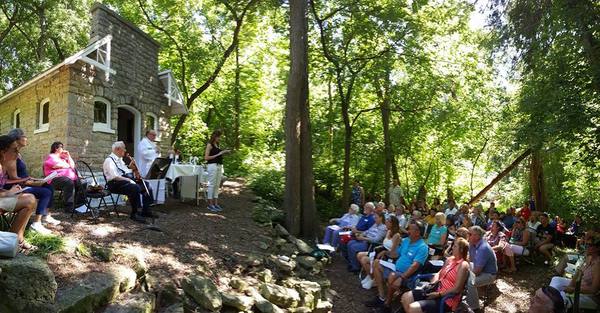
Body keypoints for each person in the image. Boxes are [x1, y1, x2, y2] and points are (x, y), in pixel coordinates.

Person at [366, 221, 429, 312]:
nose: (407, 231)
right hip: (395, 268)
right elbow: (396, 254)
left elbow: (415, 266)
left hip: (407, 274)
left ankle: (387, 305)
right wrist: (386, 252)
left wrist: (402, 277)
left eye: (410, 229)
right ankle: (381, 297)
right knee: (376, 263)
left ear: (417, 232)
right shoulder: (407, 240)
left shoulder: (422, 247)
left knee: (392, 276)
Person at [5, 128, 57, 234]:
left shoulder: (17, 154)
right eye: (24, 135)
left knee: (49, 187)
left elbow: (23, 175)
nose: (26, 138)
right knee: (45, 192)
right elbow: (14, 178)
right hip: (16, 186)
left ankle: (46, 215)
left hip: (23, 182)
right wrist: (31, 182)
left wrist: (37, 180)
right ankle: (36, 224)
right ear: (17, 139)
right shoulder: (11, 155)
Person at [401, 237, 471, 313]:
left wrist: (438, 294)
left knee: (412, 308)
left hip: (446, 299)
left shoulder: (463, 265)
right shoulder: (450, 259)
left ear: (461, 250)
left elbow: (457, 289)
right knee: (405, 297)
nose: (452, 248)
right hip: (435, 289)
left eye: (455, 246)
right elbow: (439, 273)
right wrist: (434, 280)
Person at [0, 135, 37, 253]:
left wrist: (10, 192)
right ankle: (12, 241)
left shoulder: (2, 165)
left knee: (30, 199)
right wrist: (9, 193)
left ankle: (14, 240)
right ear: (2, 151)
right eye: (14, 149)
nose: (18, 153)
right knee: (29, 200)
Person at [103, 141, 155, 223]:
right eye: (124, 149)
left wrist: (132, 168)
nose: (125, 151)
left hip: (123, 181)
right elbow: (114, 176)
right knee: (135, 188)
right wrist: (130, 180)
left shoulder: (120, 160)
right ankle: (134, 214)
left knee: (147, 185)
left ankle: (146, 210)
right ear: (117, 149)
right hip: (114, 184)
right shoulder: (109, 160)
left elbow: (125, 171)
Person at [548, 235, 599, 310]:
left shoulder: (598, 264)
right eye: (585, 244)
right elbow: (579, 272)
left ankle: (552, 305)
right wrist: (571, 285)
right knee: (556, 279)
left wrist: (573, 289)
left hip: (590, 297)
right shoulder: (589, 257)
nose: (586, 247)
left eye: (589, 245)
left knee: (561, 296)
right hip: (580, 285)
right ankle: (549, 300)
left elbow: (594, 290)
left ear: (598, 248)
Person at [359, 215, 402, 289]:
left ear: (392, 223)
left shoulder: (397, 236)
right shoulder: (388, 231)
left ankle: (373, 279)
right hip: (382, 252)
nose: (386, 223)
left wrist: (384, 252)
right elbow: (384, 244)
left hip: (389, 257)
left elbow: (393, 252)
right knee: (361, 257)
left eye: (388, 221)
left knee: (367, 260)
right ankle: (371, 277)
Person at [43, 142, 86, 211]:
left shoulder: (63, 158)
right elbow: (56, 165)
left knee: (83, 182)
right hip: (54, 179)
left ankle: (79, 204)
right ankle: (69, 207)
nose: (63, 149)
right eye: (62, 147)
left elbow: (73, 166)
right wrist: (67, 165)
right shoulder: (51, 156)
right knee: (68, 182)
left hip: (69, 178)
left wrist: (68, 156)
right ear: (56, 148)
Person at [466, 225, 498, 311]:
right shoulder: (473, 244)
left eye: (469, 234)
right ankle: (466, 297)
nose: (467, 236)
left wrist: (465, 274)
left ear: (477, 236)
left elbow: (477, 272)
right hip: (479, 268)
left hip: (489, 274)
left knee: (470, 282)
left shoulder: (483, 248)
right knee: (461, 269)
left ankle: (474, 307)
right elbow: (470, 259)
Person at [204, 129, 230, 212]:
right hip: (212, 166)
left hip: (219, 166)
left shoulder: (217, 145)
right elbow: (206, 158)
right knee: (211, 185)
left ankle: (215, 204)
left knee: (217, 185)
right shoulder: (209, 145)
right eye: (219, 137)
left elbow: (218, 156)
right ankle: (210, 205)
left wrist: (225, 153)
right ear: (215, 136)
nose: (220, 138)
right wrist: (219, 153)